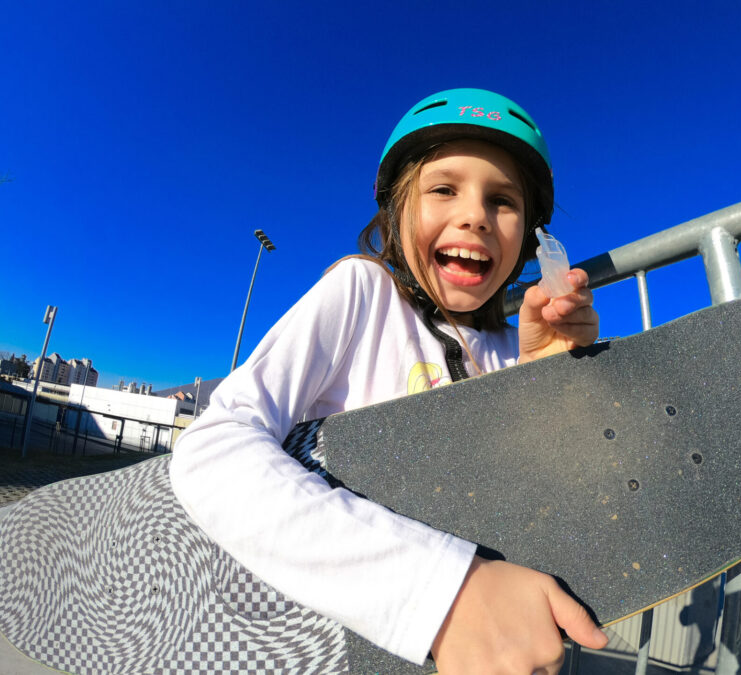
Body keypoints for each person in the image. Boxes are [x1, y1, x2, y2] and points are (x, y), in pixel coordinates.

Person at [170, 88, 607, 674]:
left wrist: (544, 379)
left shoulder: (511, 347)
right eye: (443, 189)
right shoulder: (363, 295)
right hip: (335, 645)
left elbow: (537, 502)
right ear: (396, 210)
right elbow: (213, 448)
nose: (476, 214)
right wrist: (444, 594)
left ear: (531, 235)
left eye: (502, 200)